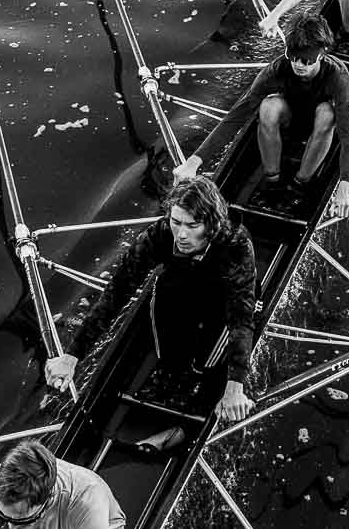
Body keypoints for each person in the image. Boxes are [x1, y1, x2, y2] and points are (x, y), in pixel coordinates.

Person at [44, 174, 257, 449]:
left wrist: (235, 386)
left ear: (211, 225)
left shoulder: (236, 245)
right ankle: (169, 369)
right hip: (180, 284)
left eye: (192, 226)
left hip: (222, 300)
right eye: (176, 221)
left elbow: (241, 319)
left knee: (206, 360)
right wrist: (72, 356)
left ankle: (202, 380)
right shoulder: (161, 234)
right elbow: (117, 291)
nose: (181, 234)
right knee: (162, 304)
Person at [174, 14, 349, 220]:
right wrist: (193, 163)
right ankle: (272, 180)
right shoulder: (276, 69)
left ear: (322, 55)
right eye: (294, 57)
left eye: (307, 60)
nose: (299, 65)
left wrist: (346, 186)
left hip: (321, 128)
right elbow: (236, 116)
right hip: (289, 121)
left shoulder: (338, 76)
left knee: (327, 112)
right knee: (267, 106)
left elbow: (348, 134)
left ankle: (300, 183)